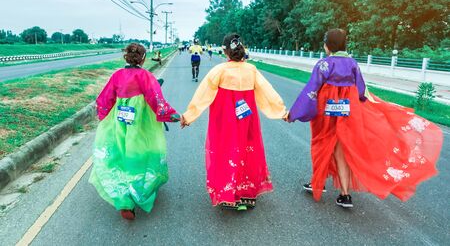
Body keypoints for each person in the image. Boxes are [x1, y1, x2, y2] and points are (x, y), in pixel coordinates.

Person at [286, 29, 443, 208]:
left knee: (322, 144)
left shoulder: (324, 64)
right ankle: (343, 194)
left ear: (328, 46)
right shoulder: (352, 64)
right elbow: (360, 91)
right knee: (340, 149)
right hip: (347, 115)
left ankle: (318, 184)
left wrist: (294, 113)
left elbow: (311, 90)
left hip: (327, 116)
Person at [181, 33, 288, 210]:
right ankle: (246, 193)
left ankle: (228, 192)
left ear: (225, 52)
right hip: (247, 120)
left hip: (224, 120)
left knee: (226, 150)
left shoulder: (219, 71)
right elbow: (267, 92)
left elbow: (202, 95)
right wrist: (281, 112)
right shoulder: (251, 70)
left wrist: (189, 116)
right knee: (247, 149)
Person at [89, 43, 180, 220]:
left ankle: (124, 200)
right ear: (143, 58)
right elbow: (157, 101)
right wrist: (172, 115)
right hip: (141, 124)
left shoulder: (117, 76)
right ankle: (139, 189)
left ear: (126, 57)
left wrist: (103, 116)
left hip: (120, 123)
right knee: (141, 153)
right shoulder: (145, 76)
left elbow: (104, 99)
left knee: (121, 154)